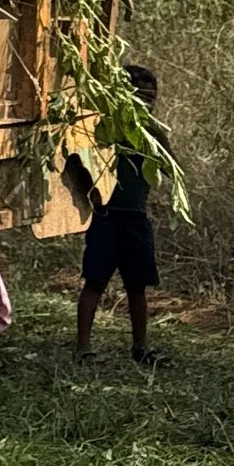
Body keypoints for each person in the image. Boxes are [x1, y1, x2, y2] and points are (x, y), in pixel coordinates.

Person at [77, 62, 165, 369]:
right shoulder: (106, 130)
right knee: (95, 282)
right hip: (106, 216)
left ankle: (140, 346)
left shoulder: (152, 134)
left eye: (150, 99)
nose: (145, 104)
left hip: (136, 219)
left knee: (137, 287)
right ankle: (83, 348)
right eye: (139, 98)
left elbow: (167, 166)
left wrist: (151, 138)